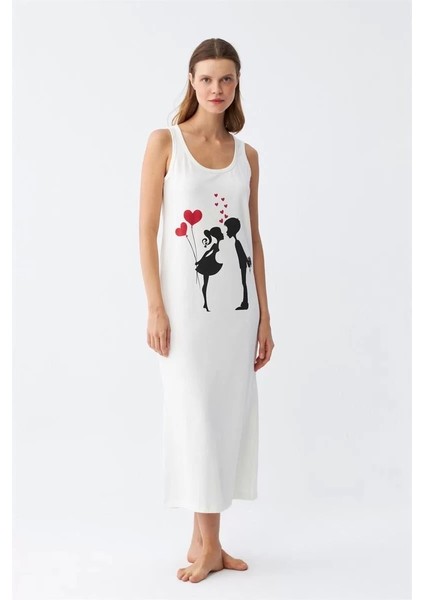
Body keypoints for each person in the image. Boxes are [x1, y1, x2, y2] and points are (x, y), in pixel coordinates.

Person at [138, 37, 275, 584]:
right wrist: (155, 306)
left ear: (237, 84)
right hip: (186, 316)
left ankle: (202, 542)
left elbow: (254, 240)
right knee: (195, 416)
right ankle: (212, 547)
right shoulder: (164, 142)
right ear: (191, 82)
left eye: (226, 79)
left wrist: (265, 317)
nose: (216, 89)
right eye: (206, 79)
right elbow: (146, 230)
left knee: (223, 417)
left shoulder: (248, 155)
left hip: (235, 316)